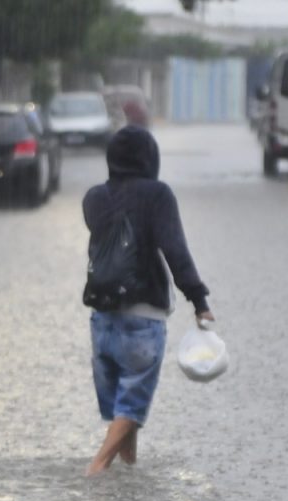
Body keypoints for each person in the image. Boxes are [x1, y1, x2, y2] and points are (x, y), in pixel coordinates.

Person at [82, 125, 214, 476]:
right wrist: (198, 299)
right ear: (150, 158)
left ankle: (128, 475)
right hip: (143, 318)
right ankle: (96, 470)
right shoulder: (157, 195)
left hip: (102, 319)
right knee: (132, 407)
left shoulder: (94, 198)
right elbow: (175, 250)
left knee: (121, 411)